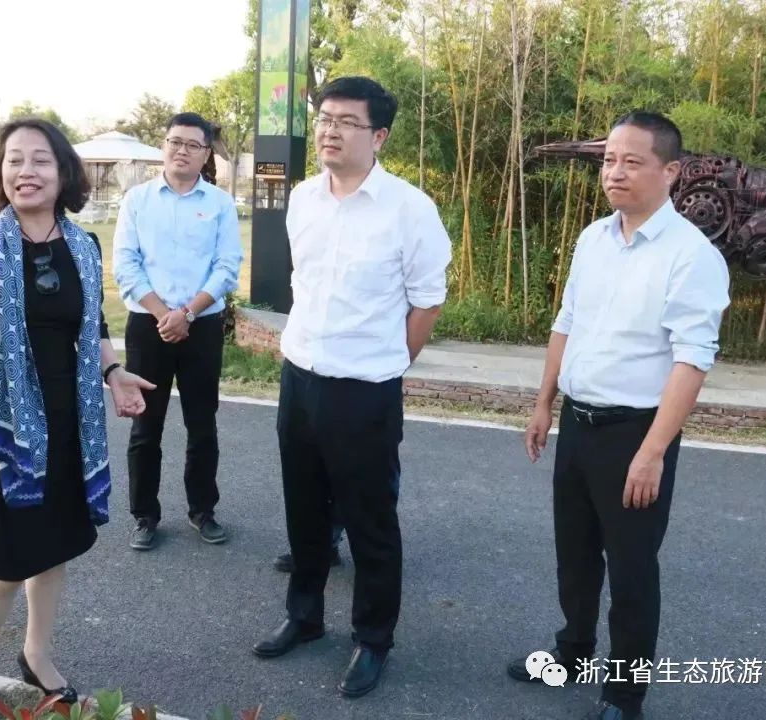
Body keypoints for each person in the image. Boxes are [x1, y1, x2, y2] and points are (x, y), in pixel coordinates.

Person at [506, 111, 731, 720]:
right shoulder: (593, 239)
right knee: (575, 557)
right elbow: (567, 322)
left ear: (671, 171)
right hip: (578, 424)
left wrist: (653, 452)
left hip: (635, 434)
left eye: (633, 161)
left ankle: (625, 694)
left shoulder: (691, 256)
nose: (615, 172)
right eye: (609, 160)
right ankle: (572, 652)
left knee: (631, 571)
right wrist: (544, 403)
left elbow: (692, 360)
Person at [0, 118, 155, 720]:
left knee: (53, 550)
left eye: (39, 160)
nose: (25, 171)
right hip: (2, 427)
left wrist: (114, 372)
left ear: (62, 173)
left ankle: (36, 653)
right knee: (7, 562)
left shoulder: (83, 245)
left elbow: (92, 325)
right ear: (1, 172)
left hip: (68, 421)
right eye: (13, 160)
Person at [251, 76, 451, 699]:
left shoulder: (409, 209)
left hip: (366, 390)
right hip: (300, 378)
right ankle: (305, 615)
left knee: (370, 523)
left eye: (346, 122)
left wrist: (388, 359)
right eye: (324, 119)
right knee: (304, 509)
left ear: (379, 136)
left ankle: (373, 638)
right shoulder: (303, 199)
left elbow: (427, 301)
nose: (330, 131)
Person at [112, 112, 243, 550]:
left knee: (202, 424)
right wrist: (164, 314)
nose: (181, 150)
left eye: (192, 144)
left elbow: (227, 267)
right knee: (145, 426)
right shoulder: (138, 200)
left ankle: (202, 510)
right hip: (148, 326)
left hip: (200, 328)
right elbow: (125, 265)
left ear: (206, 154)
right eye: (174, 142)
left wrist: (186, 313)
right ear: (163, 146)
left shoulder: (220, 203)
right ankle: (144, 515)